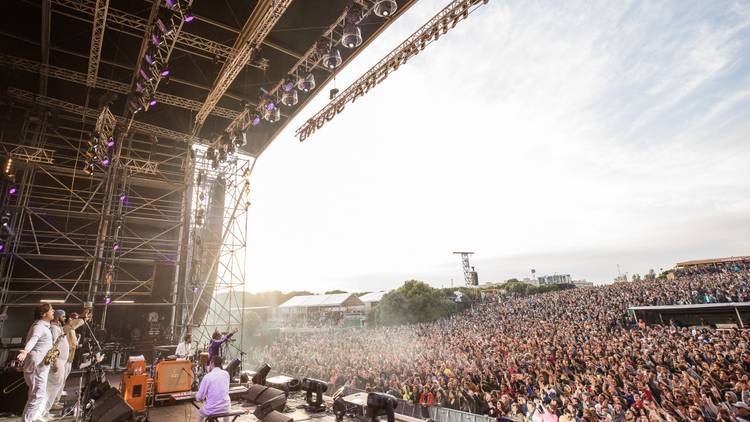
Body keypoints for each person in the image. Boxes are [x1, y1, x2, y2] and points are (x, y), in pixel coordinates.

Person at [17, 303, 55, 422]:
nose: (53, 311)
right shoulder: (38, 326)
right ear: (44, 314)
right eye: (51, 310)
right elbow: (34, 339)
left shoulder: (44, 326)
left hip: (41, 366)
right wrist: (25, 351)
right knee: (37, 396)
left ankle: (29, 419)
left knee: (36, 396)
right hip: (36, 366)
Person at [42, 310, 68, 417]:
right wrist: (55, 361)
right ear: (58, 317)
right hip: (57, 361)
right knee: (51, 387)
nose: (65, 318)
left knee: (55, 386)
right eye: (63, 316)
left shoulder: (58, 328)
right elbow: (53, 345)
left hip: (61, 361)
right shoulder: (53, 328)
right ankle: (43, 412)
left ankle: (45, 411)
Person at [195, 355, 231, 422]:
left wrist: (198, 397)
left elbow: (199, 396)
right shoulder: (226, 374)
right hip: (226, 407)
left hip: (212, 409)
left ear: (212, 363)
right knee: (226, 410)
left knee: (200, 412)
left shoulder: (207, 377)